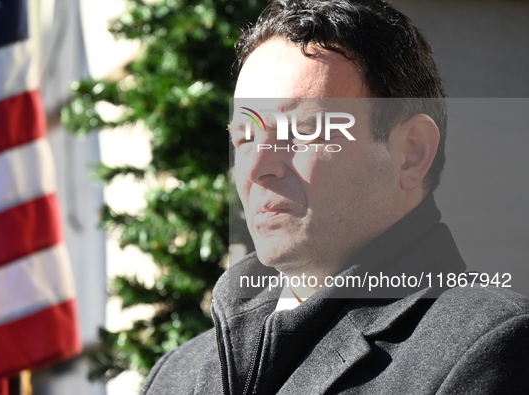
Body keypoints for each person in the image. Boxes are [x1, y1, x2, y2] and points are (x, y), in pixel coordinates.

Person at [141, 0, 529, 393]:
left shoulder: (494, 346)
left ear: (411, 152)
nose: (257, 166)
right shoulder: (175, 376)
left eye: (303, 130)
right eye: (245, 137)